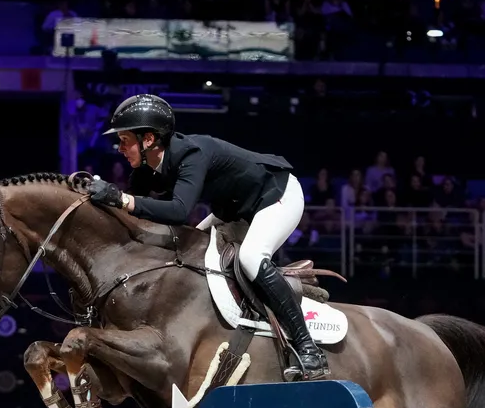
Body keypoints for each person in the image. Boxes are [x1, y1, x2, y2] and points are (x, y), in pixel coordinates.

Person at [87, 94, 328, 381]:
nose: (121, 148)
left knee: (251, 257)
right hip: (235, 210)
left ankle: (308, 349)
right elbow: (135, 215)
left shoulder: (192, 153)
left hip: (276, 196)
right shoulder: (146, 169)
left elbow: (177, 211)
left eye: (125, 140)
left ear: (148, 139)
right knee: (186, 249)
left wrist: (121, 199)